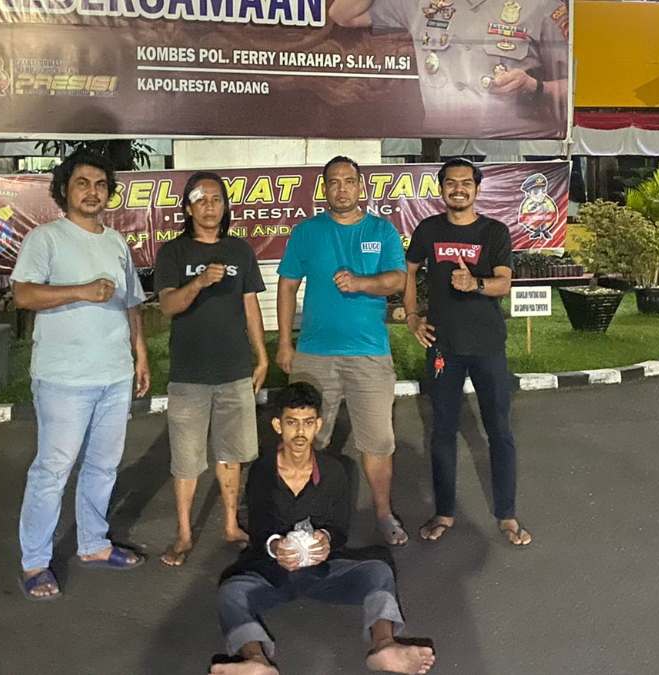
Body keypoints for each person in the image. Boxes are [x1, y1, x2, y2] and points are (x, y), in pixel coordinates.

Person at [209, 382, 436, 675]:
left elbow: (339, 527)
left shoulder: (334, 471)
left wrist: (326, 540)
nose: (300, 432)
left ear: (318, 425)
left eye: (307, 423)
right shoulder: (262, 472)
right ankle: (256, 659)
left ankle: (384, 644)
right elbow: (260, 527)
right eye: (292, 423)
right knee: (231, 592)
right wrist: (276, 547)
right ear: (278, 425)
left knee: (378, 571)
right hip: (273, 572)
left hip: (323, 569)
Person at [12, 150, 150, 601]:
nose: (93, 192)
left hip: (114, 373)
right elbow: (23, 295)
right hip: (63, 379)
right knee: (53, 469)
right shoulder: (46, 239)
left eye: (100, 185)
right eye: (82, 183)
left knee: (104, 465)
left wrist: (140, 355)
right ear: (64, 190)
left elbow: (132, 303)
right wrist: (81, 291)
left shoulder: (116, 243)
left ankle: (93, 543)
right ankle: (35, 562)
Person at [276, 156, 410, 546]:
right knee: (306, 439)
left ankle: (383, 514)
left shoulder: (381, 230)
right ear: (324, 189)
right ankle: (302, 516)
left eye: (349, 181)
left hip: (369, 354)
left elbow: (397, 280)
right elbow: (287, 286)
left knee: (378, 441)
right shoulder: (307, 232)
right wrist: (284, 342)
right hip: (314, 355)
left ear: (360, 187)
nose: (341, 188)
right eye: (333, 182)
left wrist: (360, 283)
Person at [402, 158, 532, 547]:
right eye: (450, 183)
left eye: (466, 183)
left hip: (487, 347)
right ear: (441, 188)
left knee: (499, 431)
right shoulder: (428, 229)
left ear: (476, 189)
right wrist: (412, 316)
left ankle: (507, 514)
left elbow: (504, 283)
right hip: (443, 348)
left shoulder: (494, 231)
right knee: (442, 431)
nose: (458, 189)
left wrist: (474, 283)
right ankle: (444, 512)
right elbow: (409, 271)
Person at [154, 171, 269, 567]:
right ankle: (184, 534)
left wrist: (262, 355)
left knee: (232, 454)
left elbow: (251, 306)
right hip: (189, 374)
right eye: (200, 200)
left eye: (216, 199)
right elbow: (167, 306)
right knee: (186, 459)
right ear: (188, 208)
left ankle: (231, 525)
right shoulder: (174, 253)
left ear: (225, 206)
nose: (209, 207)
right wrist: (200, 282)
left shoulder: (240, 251)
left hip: (234, 370)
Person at [329, 0, 570, 139]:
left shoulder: (541, 5)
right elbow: (343, 14)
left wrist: (534, 86)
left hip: (514, 146)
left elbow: (574, 87)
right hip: (438, 144)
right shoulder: (422, 3)